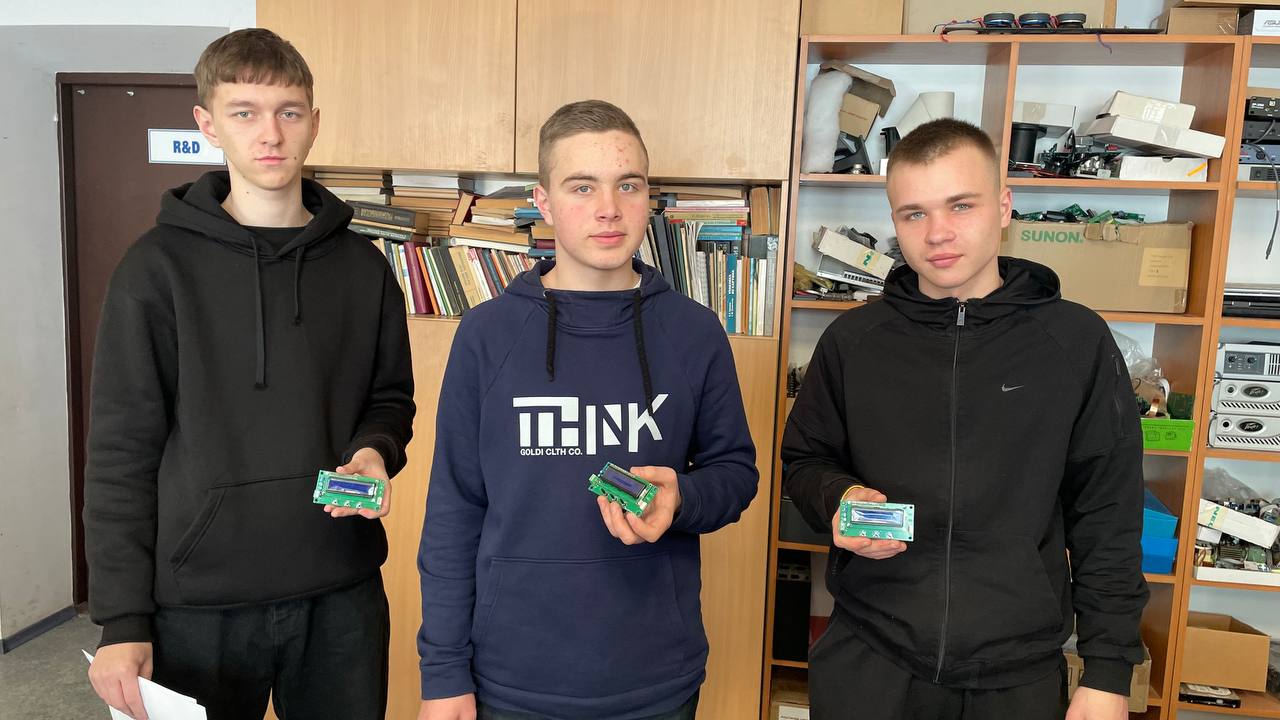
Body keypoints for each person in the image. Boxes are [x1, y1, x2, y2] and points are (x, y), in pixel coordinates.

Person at [84, 27, 415, 720]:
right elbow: (121, 453)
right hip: (196, 606)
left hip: (341, 592)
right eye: (245, 112)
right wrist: (122, 620)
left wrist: (373, 451)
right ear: (208, 124)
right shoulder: (154, 270)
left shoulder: (364, 269)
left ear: (314, 123)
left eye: (289, 112)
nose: (271, 134)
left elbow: (389, 399)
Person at [782, 118, 1148, 720]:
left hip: (1017, 675)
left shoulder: (1075, 342)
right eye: (914, 214)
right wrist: (839, 498)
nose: (938, 234)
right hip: (871, 658)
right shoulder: (853, 340)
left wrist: (1108, 671)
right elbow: (805, 460)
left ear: (1003, 206)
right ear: (895, 221)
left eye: (961, 205)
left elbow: (1108, 512)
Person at [416, 99, 759, 720]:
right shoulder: (487, 334)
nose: (609, 209)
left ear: (648, 196)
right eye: (582, 186)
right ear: (543, 201)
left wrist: (682, 497)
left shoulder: (694, 331)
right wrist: (443, 674)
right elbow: (453, 509)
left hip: (655, 677)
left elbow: (735, 473)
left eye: (628, 185)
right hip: (510, 680)